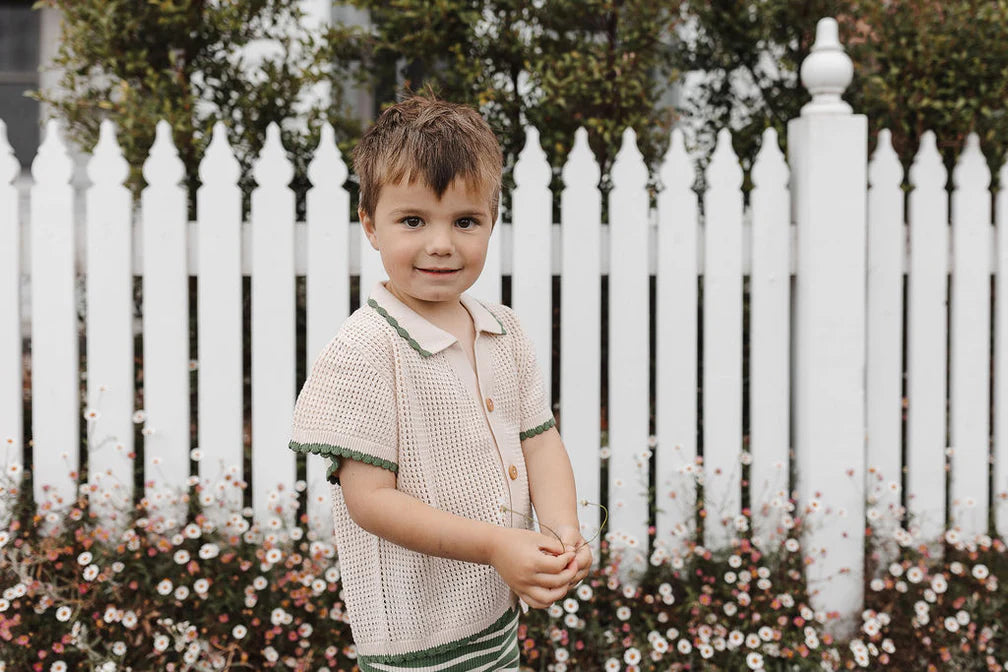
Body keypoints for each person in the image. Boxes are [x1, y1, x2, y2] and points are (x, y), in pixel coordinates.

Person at [288, 95, 592, 671]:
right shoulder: (365, 350)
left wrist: (560, 531)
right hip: (415, 638)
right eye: (412, 220)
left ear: (491, 222)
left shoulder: (505, 330)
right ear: (369, 225)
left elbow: (539, 440)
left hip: (493, 618)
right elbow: (369, 501)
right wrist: (497, 544)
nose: (441, 244)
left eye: (465, 221)